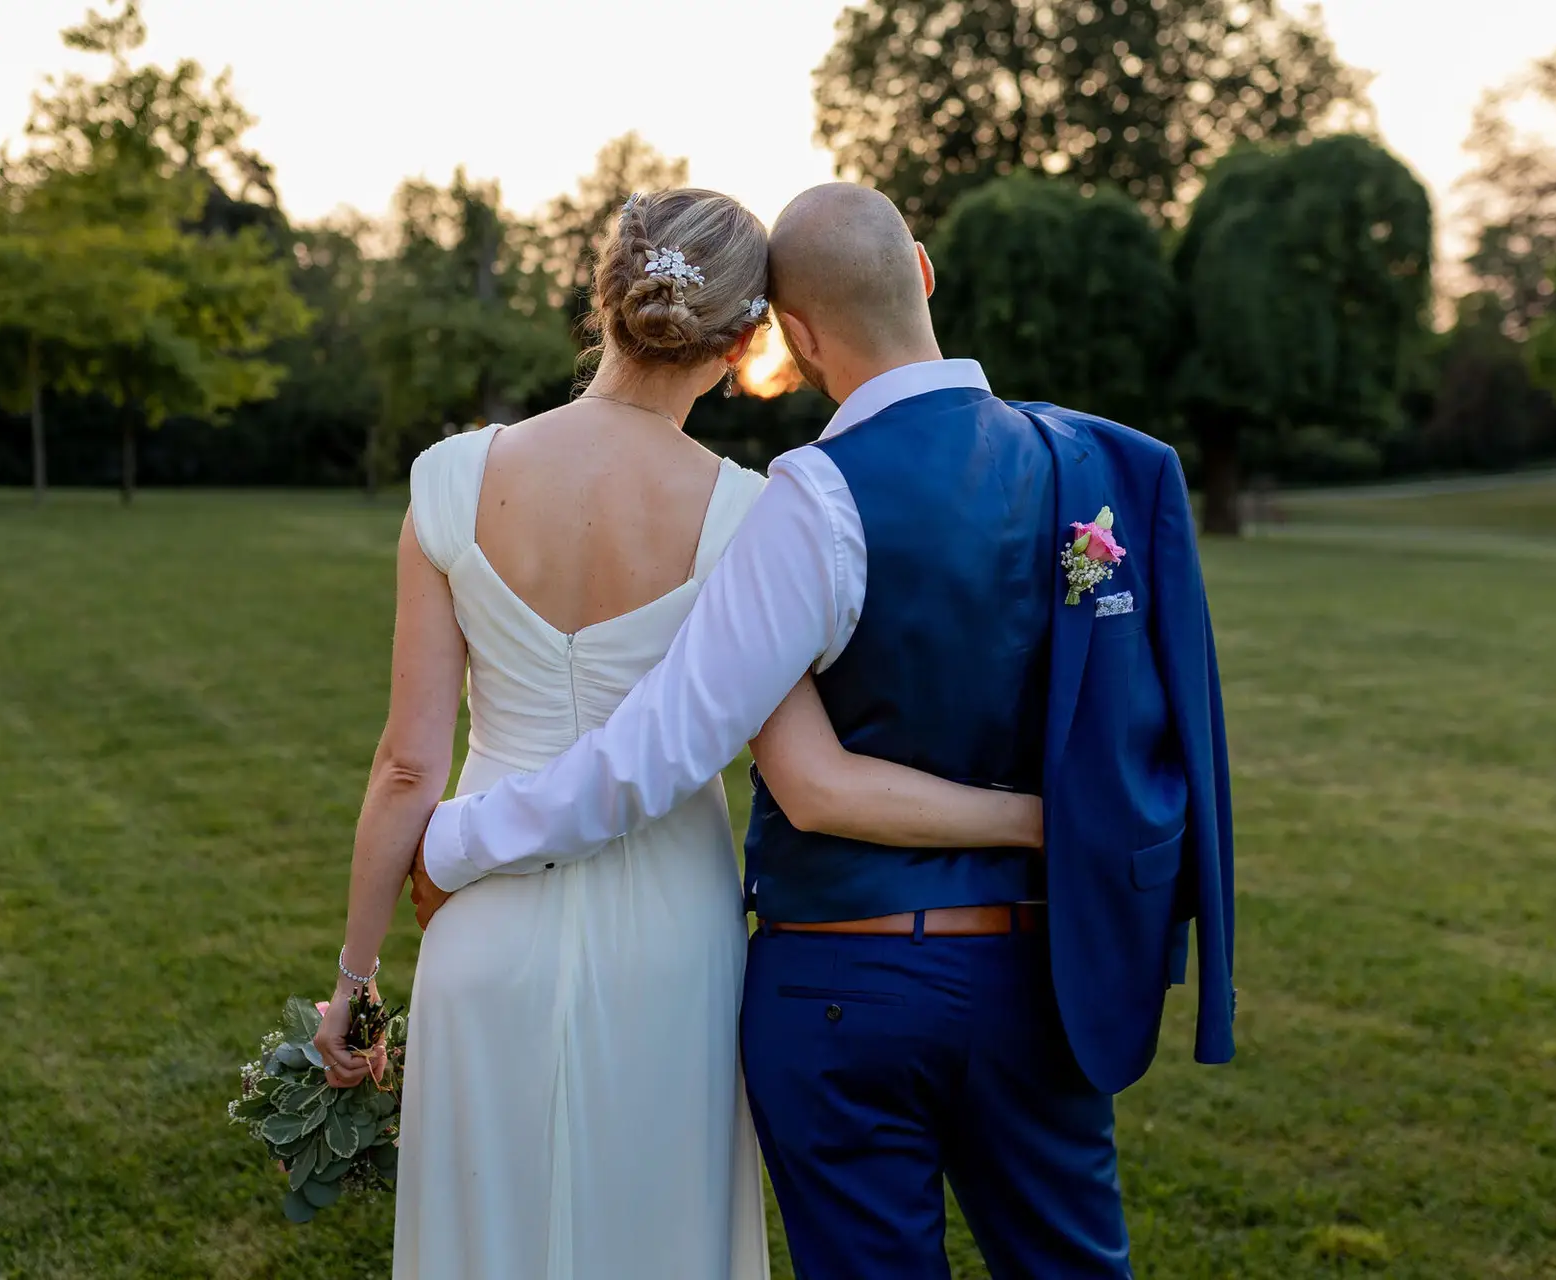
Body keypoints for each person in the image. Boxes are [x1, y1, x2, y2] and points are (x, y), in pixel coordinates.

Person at [408, 183, 1237, 1279]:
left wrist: (458, 839)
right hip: (1045, 979)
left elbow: (674, 741)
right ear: (925, 271)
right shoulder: (1104, 470)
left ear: (792, 339)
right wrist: (1065, 824)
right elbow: (1170, 728)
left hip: (843, 991)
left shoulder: (812, 496)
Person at [311, 188, 1045, 1280]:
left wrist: (356, 978)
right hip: (672, 936)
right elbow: (812, 778)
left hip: (483, 927)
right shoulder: (756, 514)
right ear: (750, 339)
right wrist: (1045, 813)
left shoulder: (454, 480)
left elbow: (409, 763)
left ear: (602, 293)